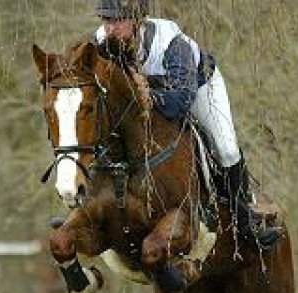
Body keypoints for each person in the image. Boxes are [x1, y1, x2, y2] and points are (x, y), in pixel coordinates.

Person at [93, 0, 283, 251]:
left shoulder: (172, 43)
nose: (110, 28)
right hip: (149, 98)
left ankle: (245, 222)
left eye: (117, 21)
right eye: (106, 20)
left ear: (137, 20)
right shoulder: (100, 43)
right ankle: (88, 205)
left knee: (226, 149)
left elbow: (179, 104)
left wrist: (146, 96)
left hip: (198, 88)